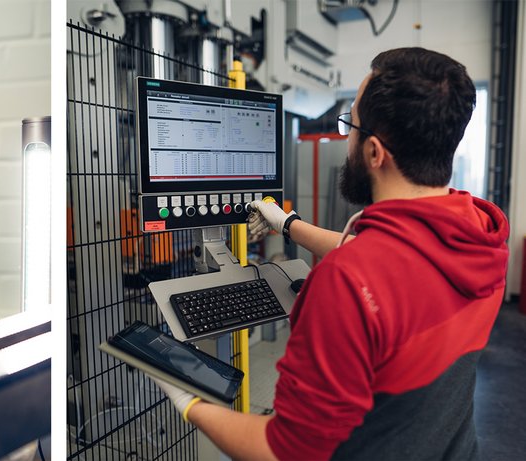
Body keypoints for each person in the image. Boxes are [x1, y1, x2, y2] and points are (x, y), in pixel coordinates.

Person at [148, 48, 507, 461]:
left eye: (349, 124)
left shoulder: (347, 280)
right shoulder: (480, 234)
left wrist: (190, 401)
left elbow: (285, 452)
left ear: (375, 152)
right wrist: (288, 224)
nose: (347, 137)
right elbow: (396, 263)